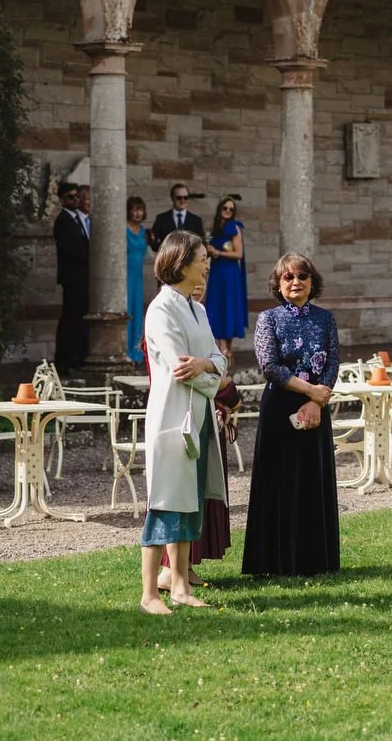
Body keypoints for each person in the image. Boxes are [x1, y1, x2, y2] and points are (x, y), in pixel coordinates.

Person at [139, 231, 228, 615]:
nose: (208, 263)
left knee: (191, 501)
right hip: (172, 417)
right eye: (202, 257)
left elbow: (217, 361)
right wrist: (209, 370)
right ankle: (149, 595)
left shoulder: (199, 310)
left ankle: (179, 587)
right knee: (165, 500)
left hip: (200, 416)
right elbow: (180, 368)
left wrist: (208, 365)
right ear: (181, 261)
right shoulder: (161, 310)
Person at [242, 253, 341, 577]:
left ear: (313, 282)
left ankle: (315, 560)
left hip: (314, 411)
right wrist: (309, 391)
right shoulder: (268, 319)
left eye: (302, 276)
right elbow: (270, 365)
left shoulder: (326, 319)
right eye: (288, 277)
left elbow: (332, 363)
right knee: (280, 483)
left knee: (312, 482)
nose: (295, 282)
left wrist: (316, 401)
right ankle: (274, 562)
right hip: (280, 410)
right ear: (278, 284)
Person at [52, 181, 90, 372]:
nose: (75, 200)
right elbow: (70, 251)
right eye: (70, 197)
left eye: (77, 196)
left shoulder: (77, 219)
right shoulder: (62, 221)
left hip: (82, 277)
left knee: (79, 318)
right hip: (73, 278)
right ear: (62, 199)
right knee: (71, 319)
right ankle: (65, 360)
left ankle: (77, 357)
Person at [204, 195, 248, 358]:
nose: (228, 211)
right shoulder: (215, 228)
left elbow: (238, 253)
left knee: (227, 307)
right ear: (220, 209)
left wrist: (218, 252)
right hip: (217, 272)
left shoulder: (234, 227)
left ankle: (225, 351)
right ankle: (220, 350)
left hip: (229, 274)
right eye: (225, 208)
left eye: (231, 209)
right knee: (217, 307)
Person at [125, 196, 149, 365]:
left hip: (138, 275)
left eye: (140, 209)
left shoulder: (143, 231)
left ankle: (136, 352)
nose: (137, 213)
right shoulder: (123, 229)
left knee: (137, 312)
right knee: (126, 311)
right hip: (125, 275)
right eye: (133, 209)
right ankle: (124, 351)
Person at [149, 182, 206, 252]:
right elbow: (154, 243)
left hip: (189, 262)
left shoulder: (196, 221)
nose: (183, 200)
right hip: (168, 261)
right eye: (179, 197)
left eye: (185, 197)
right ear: (172, 198)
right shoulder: (161, 219)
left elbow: (201, 244)